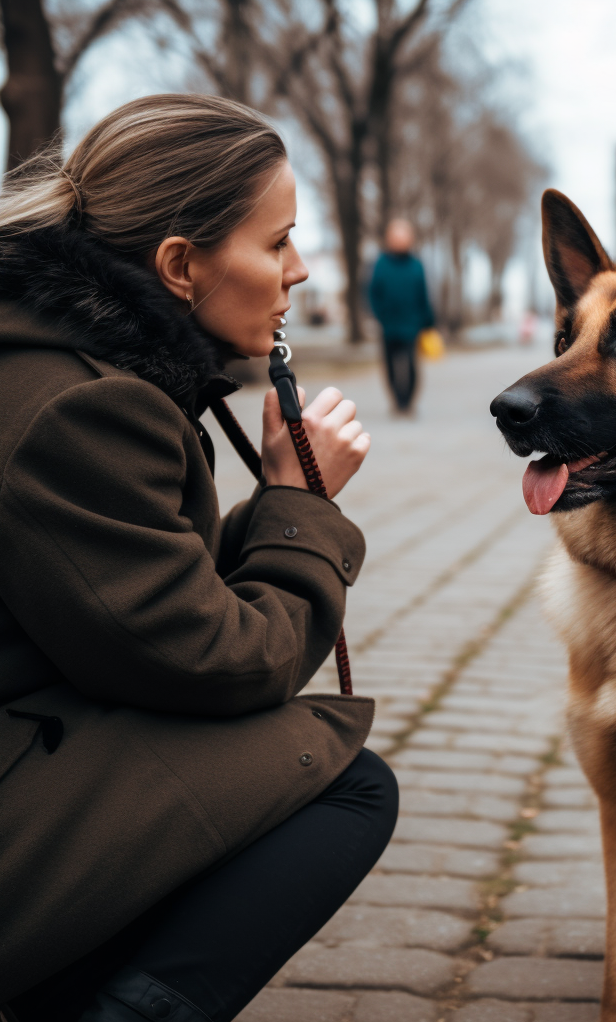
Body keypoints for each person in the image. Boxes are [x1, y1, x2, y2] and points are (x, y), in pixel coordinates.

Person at [0, 95, 398, 1022]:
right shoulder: (82, 407)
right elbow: (221, 664)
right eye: (278, 242)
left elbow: (118, 599)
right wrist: (297, 507)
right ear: (181, 265)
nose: (299, 273)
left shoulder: (56, 360)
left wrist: (278, 504)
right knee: (343, 780)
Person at [369, 218, 434, 413]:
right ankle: (397, 401)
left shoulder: (416, 265)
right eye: (396, 237)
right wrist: (380, 315)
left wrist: (428, 320)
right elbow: (373, 292)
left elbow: (423, 294)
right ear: (389, 239)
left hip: (411, 325)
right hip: (388, 325)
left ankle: (408, 401)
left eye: (404, 236)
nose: (400, 241)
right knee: (389, 366)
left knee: (412, 365)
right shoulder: (381, 264)